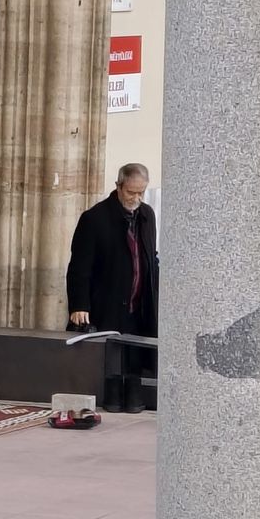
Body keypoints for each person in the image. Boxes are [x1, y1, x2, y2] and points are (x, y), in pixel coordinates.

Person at [66, 163, 159, 412]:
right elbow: (79, 266)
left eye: (141, 192)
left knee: (135, 356)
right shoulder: (94, 218)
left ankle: (134, 399)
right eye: (131, 192)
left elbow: (150, 256)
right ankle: (112, 399)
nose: (136, 198)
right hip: (107, 299)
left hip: (139, 302)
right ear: (118, 186)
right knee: (111, 357)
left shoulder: (147, 215)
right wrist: (79, 304)